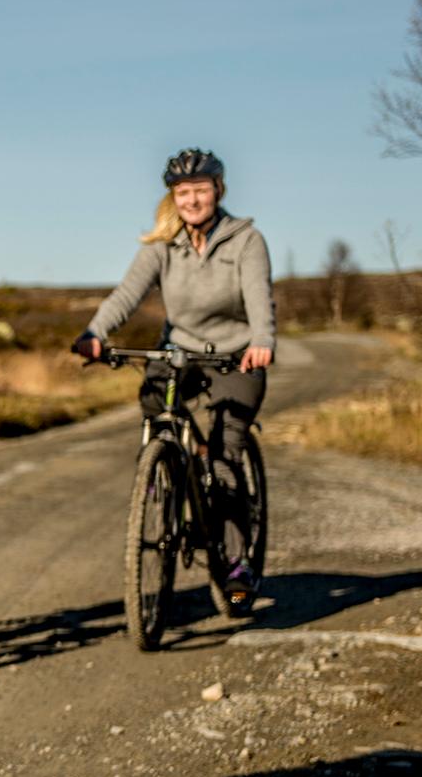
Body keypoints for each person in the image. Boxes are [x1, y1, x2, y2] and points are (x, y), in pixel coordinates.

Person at [72, 147, 275, 596]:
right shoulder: (163, 245)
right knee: (154, 402)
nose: (192, 200)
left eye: (200, 190)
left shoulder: (245, 240)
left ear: (217, 190)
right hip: (179, 351)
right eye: (183, 192)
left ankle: (236, 562)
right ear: (173, 197)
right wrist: (94, 332)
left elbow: (260, 298)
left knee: (224, 456)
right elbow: (126, 295)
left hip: (235, 355)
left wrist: (262, 341)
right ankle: (162, 473)